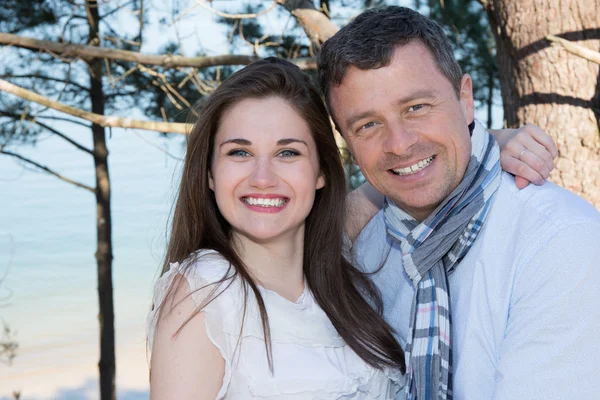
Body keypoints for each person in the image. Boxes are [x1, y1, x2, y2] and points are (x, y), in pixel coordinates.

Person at [146, 60, 557, 398]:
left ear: (322, 171)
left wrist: (484, 144)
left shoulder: (337, 261)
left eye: (288, 152)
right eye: (239, 152)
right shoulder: (205, 292)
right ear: (210, 175)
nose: (263, 177)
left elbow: (394, 180)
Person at [318, 6, 600, 400]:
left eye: (416, 107)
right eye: (368, 125)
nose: (399, 143)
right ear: (346, 140)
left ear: (464, 99)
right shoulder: (360, 255)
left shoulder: (559, 242)